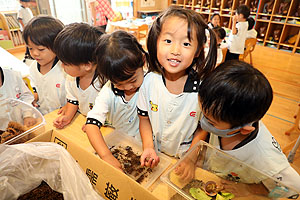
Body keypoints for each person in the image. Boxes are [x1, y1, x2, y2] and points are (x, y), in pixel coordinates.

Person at [198, 60, 300, 198]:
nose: (203, 122)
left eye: (210, 122)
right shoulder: (225, 115)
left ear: (244, 129)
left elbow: (294, 187)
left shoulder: (265, 157)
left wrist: (251, 190)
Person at [137, 6, 217, 169]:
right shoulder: (149, 81)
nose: (175, 51)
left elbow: (204, 128)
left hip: (186, 158)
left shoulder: (203, 89)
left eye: (186, 43)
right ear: (156, 42)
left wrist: (190, 158)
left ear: (197, 51)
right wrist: (148, 147)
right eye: (168, 41)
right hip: (156, 154)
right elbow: (144, 119)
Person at [85, 30, 148, 171]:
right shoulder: (108, 91)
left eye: (133, 80)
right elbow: (91, 125)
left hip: (148, 148)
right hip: (123, 145)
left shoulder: (151, 84)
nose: (127, 87)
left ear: (143, 61)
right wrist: (107, 156)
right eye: (118, 84)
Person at [52, 23, 104, 129]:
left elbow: (110, 110)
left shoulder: (104, 82)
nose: (62, 66)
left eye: (65, 63)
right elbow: (73, 100)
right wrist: (68, 116)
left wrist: (94, 123)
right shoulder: (71, 78)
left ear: (87, 65)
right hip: (85, 120)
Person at [23, 16, 67, 115]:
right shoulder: (33, 68)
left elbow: (74, 95)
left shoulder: (66, 68)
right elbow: (36, 88)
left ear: (57, 45)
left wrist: (69, 106)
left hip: (63, 116)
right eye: (30, 48)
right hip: (44, 115)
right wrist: (34, 96)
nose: (35, 53)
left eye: (41, 49)